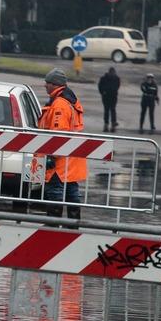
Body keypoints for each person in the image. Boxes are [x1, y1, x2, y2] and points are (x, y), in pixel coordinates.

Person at [38, 67, 86, 219]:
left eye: (48, 82)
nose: (45, 85)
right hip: (71, 158)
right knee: (71, 189)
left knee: (55, 190)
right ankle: (74, 221)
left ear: (55, 84)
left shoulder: (59, 104)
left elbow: (59, 134)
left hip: (59, 159)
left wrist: (52, 156)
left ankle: (53, 224)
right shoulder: (69, 100)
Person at [97, 64, 121, 132]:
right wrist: (103, 92)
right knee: (111, 110)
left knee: (108, 110)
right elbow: (117, 86)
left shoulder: (105, 78)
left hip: (108, 96)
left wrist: (102, 92)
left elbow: (100, 86)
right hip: (110, 96)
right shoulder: (115, 78)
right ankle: (110, 125)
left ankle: (108, 124)